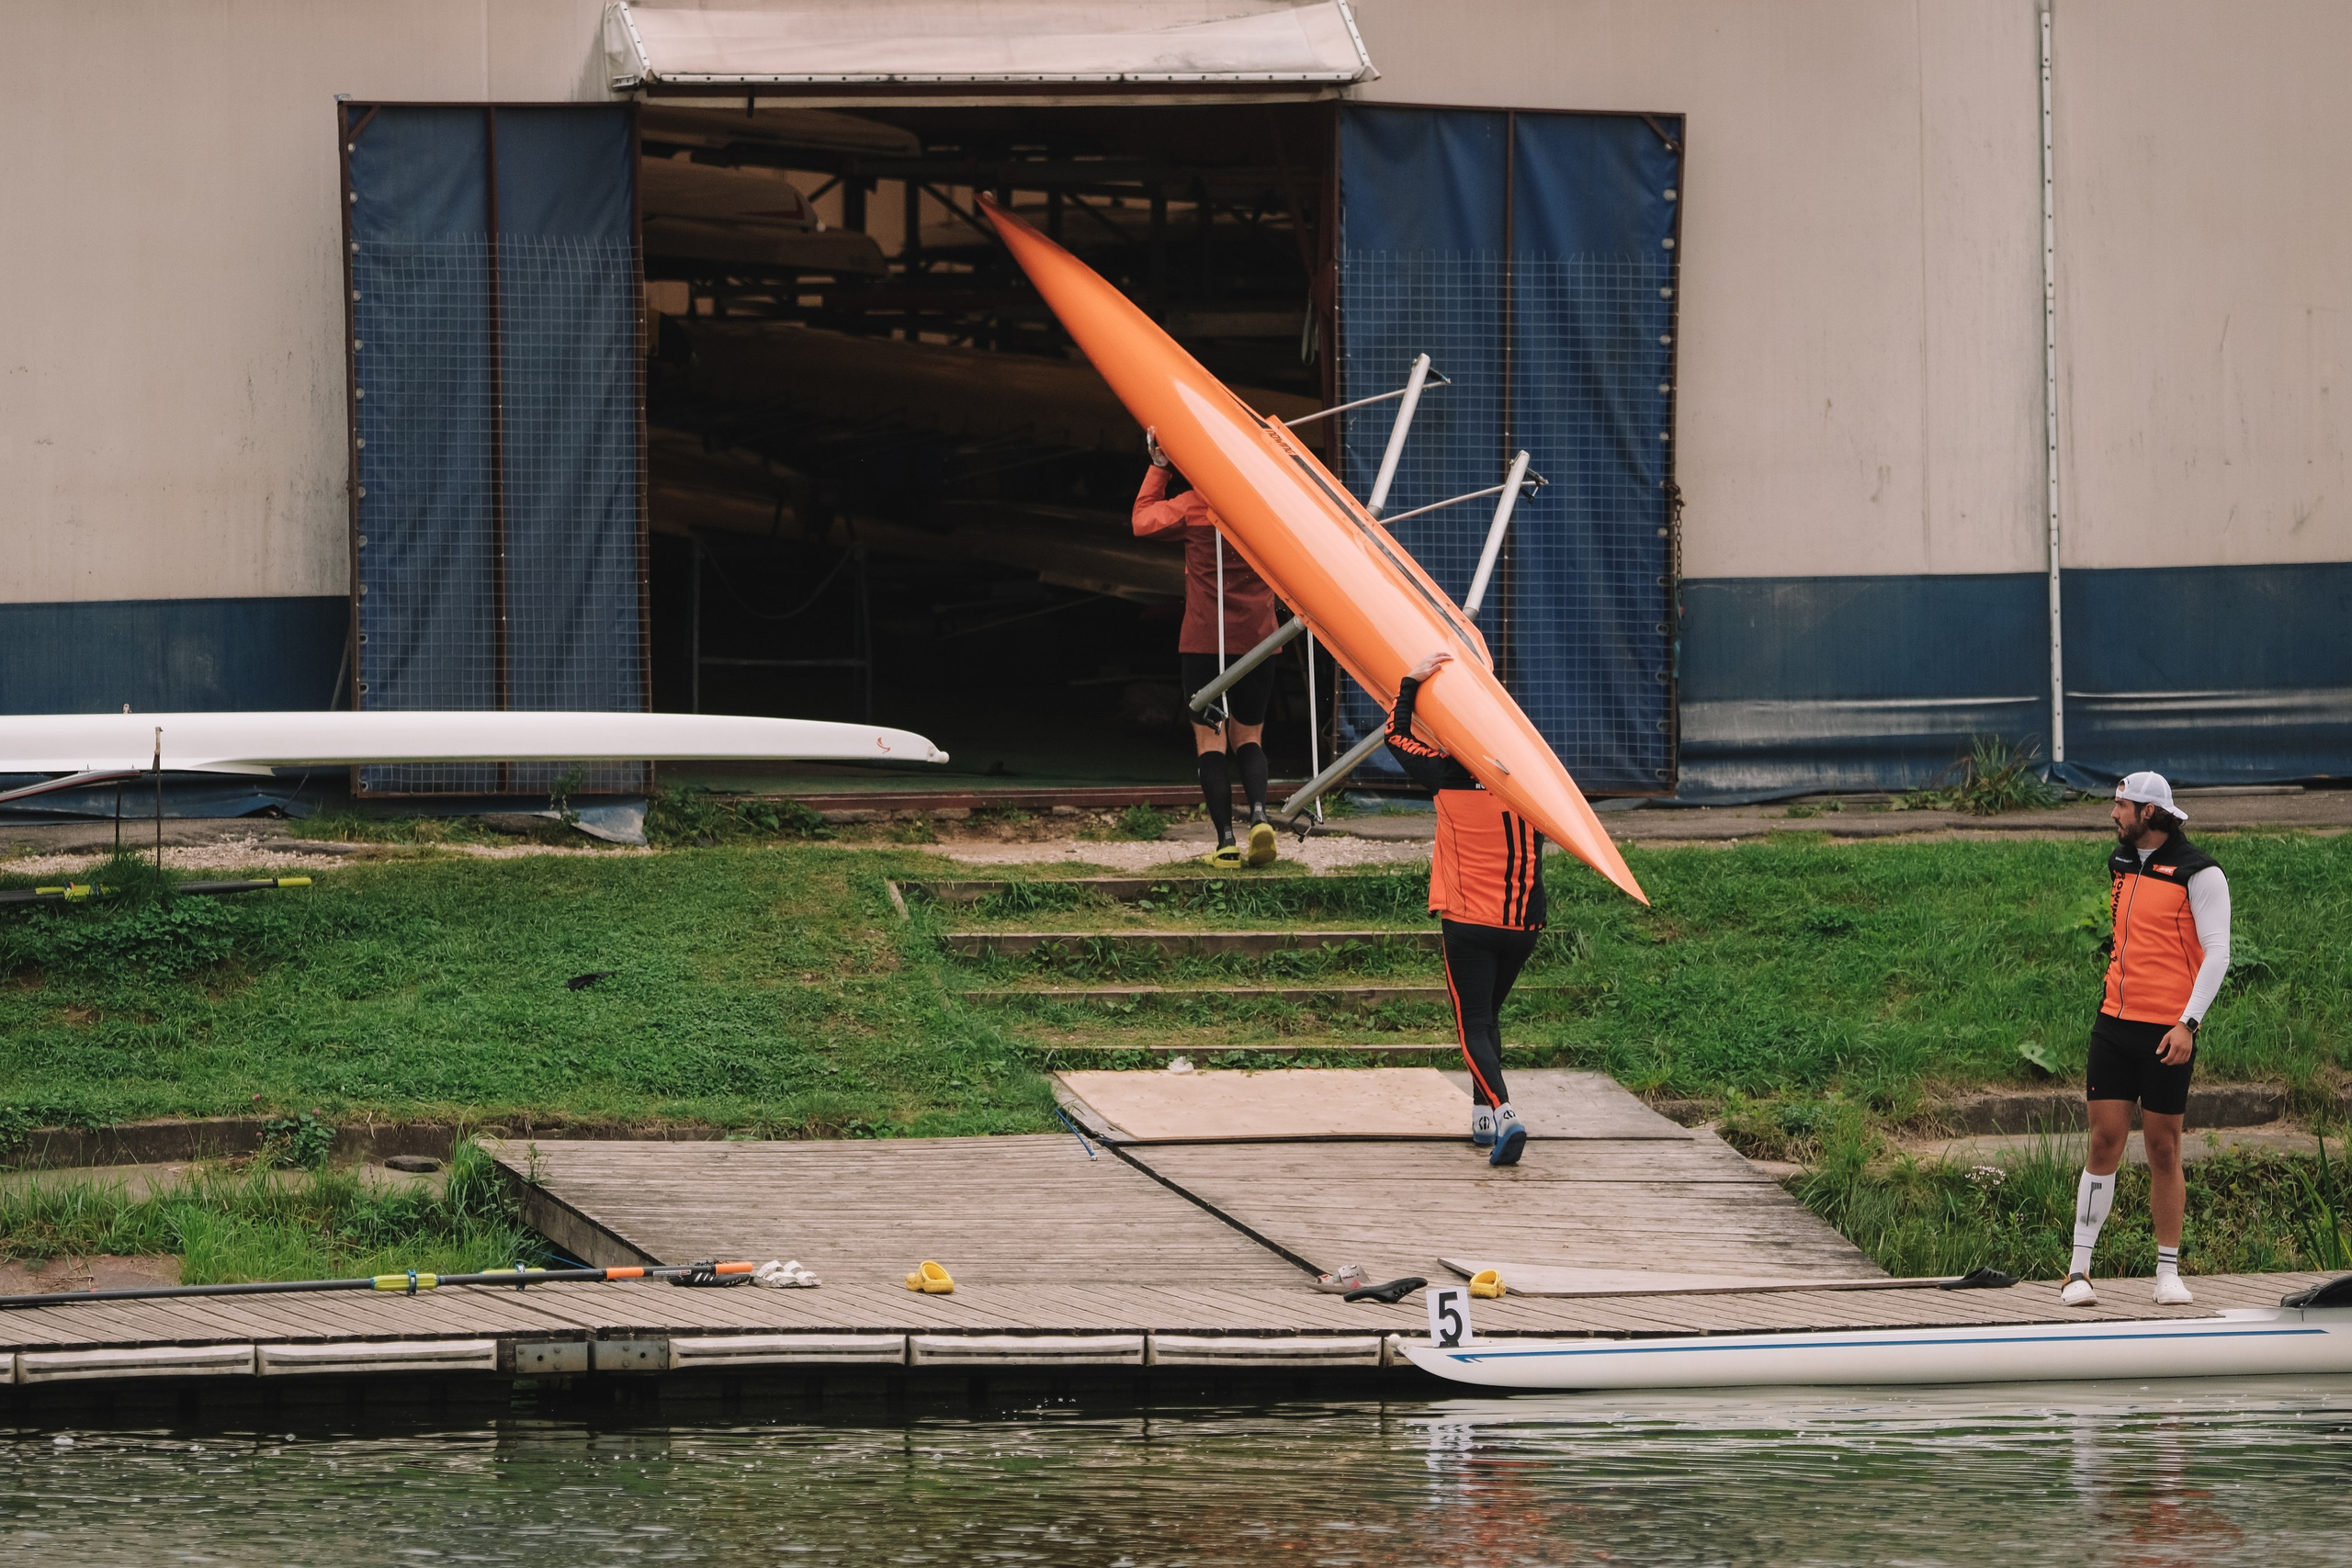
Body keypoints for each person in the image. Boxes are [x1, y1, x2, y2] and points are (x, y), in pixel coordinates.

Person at [2062, 772, 2231, 1307]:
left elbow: (2217, 953)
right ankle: (2079, 1272)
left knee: (2163, 1149)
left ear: (2150, 813)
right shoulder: (2121, 863)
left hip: (2168, 1033)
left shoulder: (2199, 872)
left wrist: (2189, 1024)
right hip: (2113, 1024)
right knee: (2103, 1142)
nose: (2114, 814)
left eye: (2122, 806)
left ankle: (2167, 1274)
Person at [1385, 649, 1545, 1167]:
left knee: (1473, 1023)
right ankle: (1481, 1123)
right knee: (1489, 1017)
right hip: (1522, 923)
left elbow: (1395, 733)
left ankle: (1504, 1114)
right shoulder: (1533, 781)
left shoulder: (1446, 773)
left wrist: (1409, 684)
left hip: (1468, 924)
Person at [1133, 426, 1281, 867]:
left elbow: (1142, 520)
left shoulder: (1193, 506)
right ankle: (1259, 817)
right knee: (1249, 735)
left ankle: (1225, 843)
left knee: (1210, 742)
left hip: (1203, 643)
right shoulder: (1268, 509)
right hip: (1259, 642)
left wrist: (1159, 466)